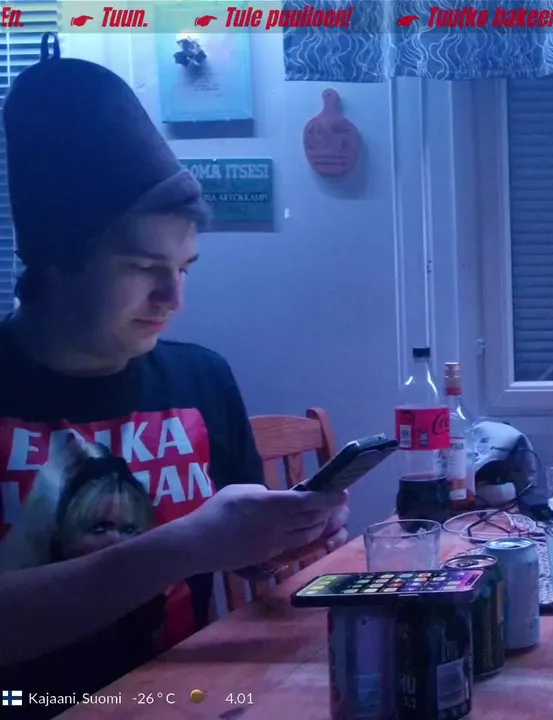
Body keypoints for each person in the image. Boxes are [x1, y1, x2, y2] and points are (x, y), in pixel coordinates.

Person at [0, 41, 350, 713]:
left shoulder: (201, 379)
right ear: (54, 259)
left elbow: (235, 558)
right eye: (142, 268)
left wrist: (276, 541)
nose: (173, 299)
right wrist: (185, 545)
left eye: (184, 268)